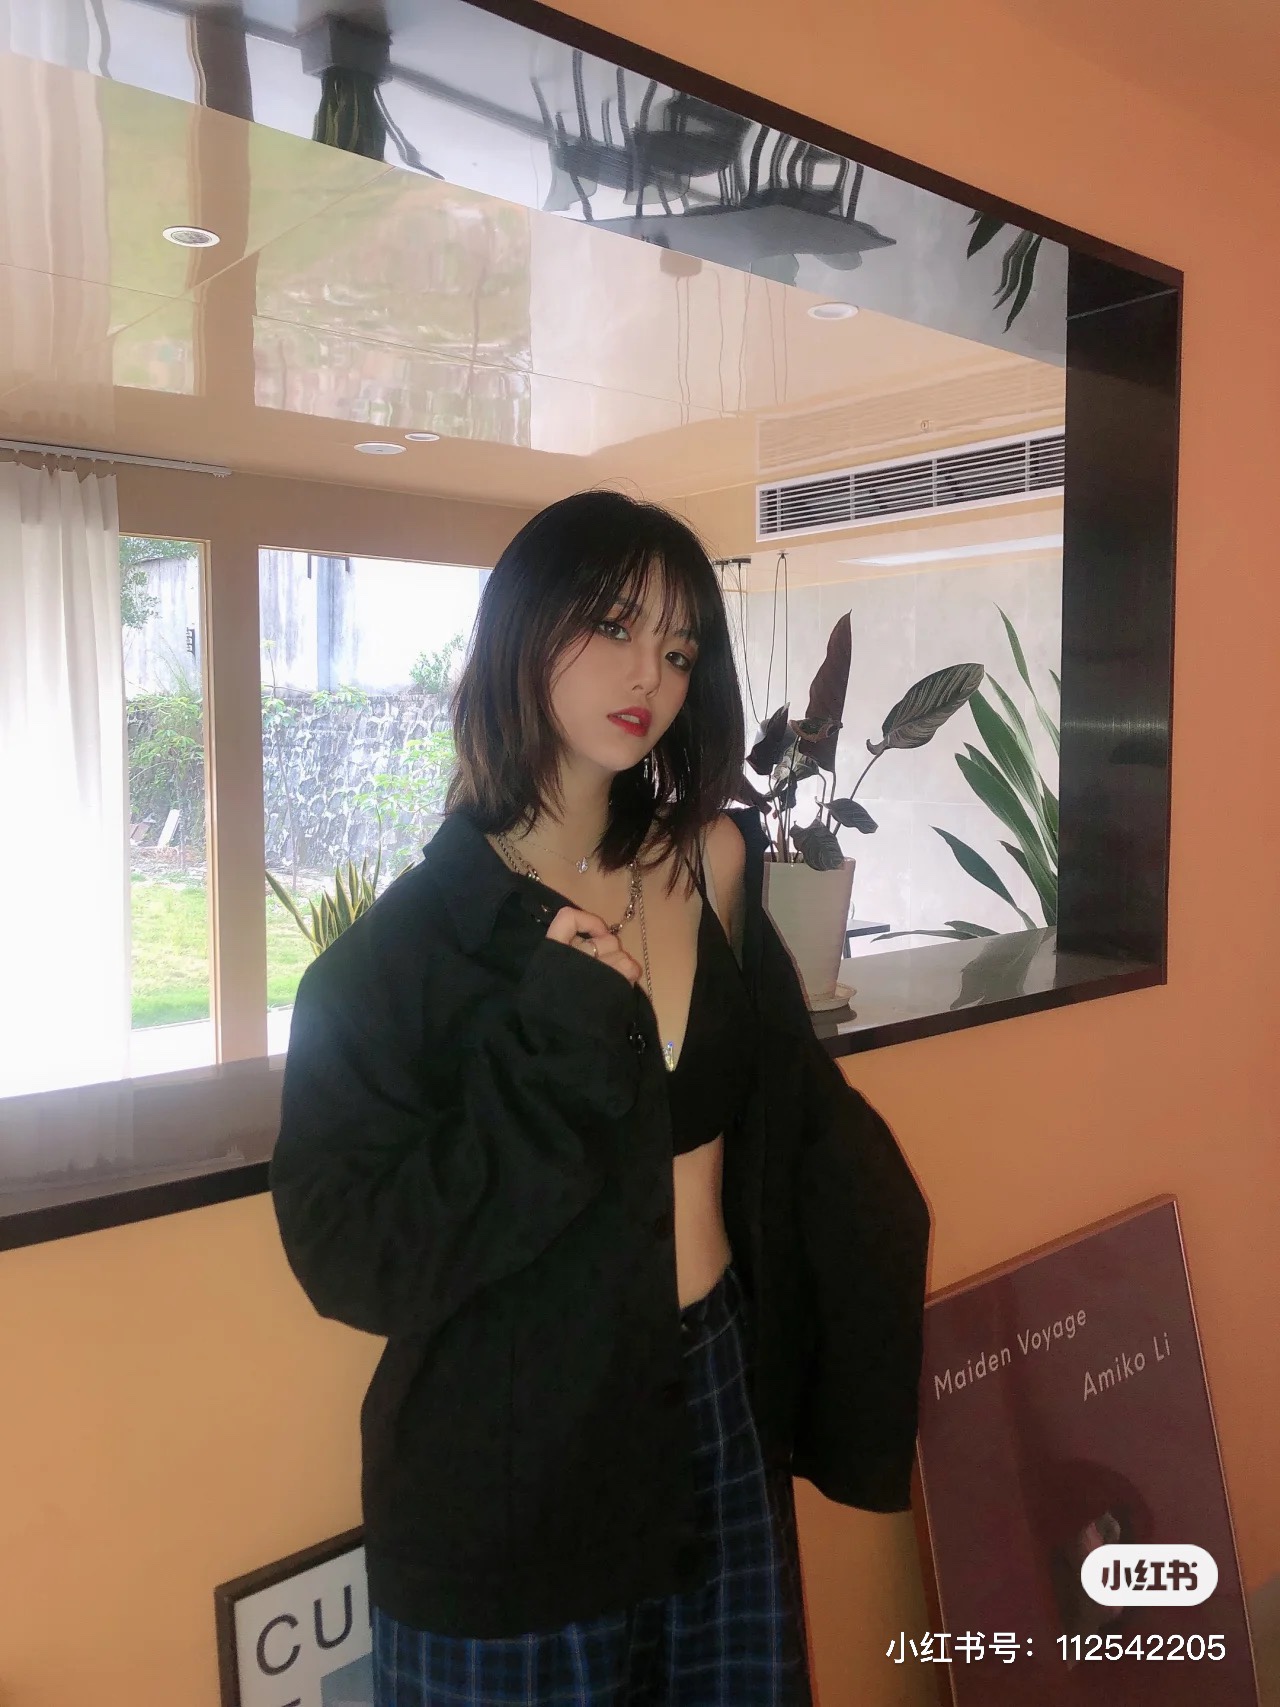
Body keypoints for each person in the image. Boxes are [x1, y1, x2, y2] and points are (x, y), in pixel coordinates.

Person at [270, 489, 931, 1706]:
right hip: (511, 1467)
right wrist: (549, 1053)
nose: (649, 675)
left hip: (713, 1397)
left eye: (678, 648)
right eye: (616, 626)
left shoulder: (712, 861)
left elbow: (783, 1122)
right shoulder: (402, 958)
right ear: (522, 628)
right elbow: (352, 1260)